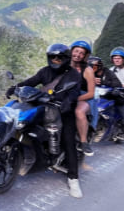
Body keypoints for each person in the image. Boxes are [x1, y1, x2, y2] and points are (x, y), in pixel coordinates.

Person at [13, 43, 83, 198]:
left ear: (66, 59)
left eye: (59, 57)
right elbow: (31, 81)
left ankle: (73, 179)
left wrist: (68, 102)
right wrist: (16, 87)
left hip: (64, 111)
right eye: (53, 57)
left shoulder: (74, 75)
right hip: (45, 106)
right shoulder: (45, 71)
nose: (56, 60)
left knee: (68, 140)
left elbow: (74, 92)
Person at [70, 40, 96, 157]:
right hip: (68, 95)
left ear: (85, 56)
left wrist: (75, 98)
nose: (78, 54)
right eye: (76, 51)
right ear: (71, 51)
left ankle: (83, 141)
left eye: (81, 53)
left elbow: (91, 93)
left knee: (79, 112)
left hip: (84, 97)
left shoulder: (88, 70)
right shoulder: (66, 67)